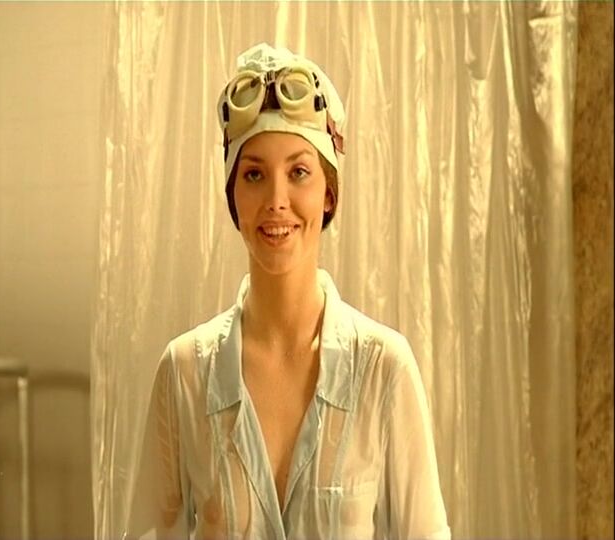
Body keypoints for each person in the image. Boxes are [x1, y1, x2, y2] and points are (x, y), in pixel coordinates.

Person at [125, 42, 450, 540]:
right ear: (233, 195)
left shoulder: (383, 368)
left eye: (298, 172)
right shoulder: (184, 373)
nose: (276, 201)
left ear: (328, 193)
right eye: (254, 174)